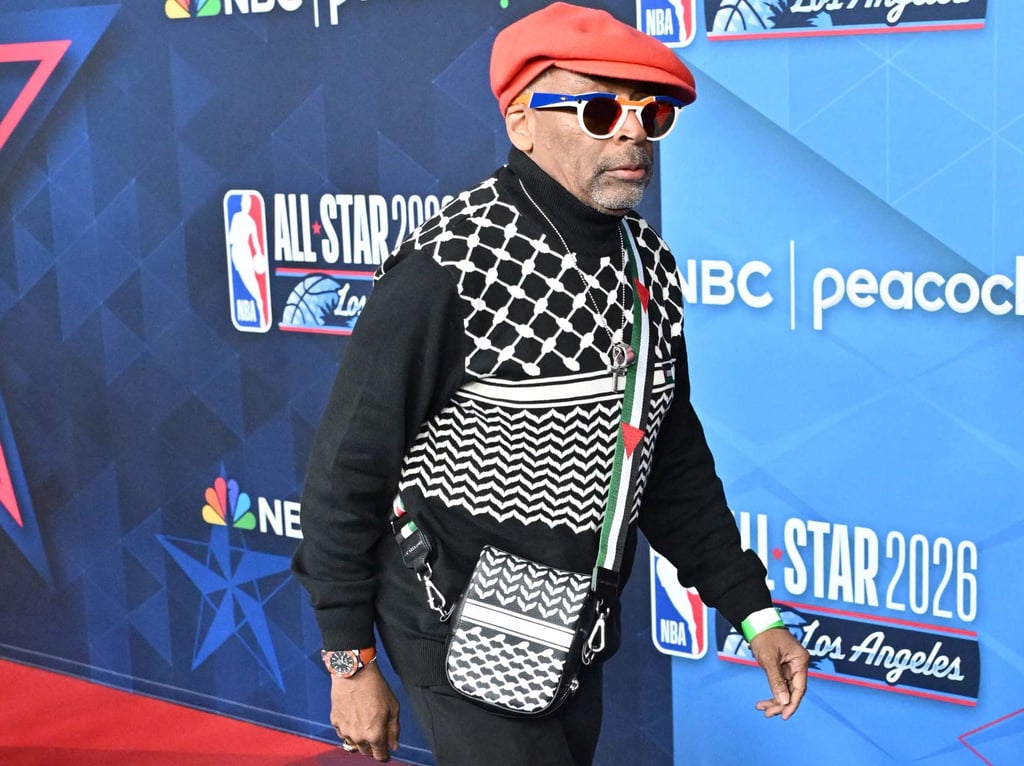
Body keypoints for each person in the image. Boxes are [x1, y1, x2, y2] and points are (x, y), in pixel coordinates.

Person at [291, 3, 810, 764]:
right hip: (455, 623)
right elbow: (346, 472)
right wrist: (349, 661)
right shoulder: (450, 266)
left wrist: (752, 611)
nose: (632, 132)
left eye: (649, 113)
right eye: (599, 110)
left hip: (566, 625)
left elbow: (667, 461)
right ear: (522, 123)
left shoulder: (649, 268)